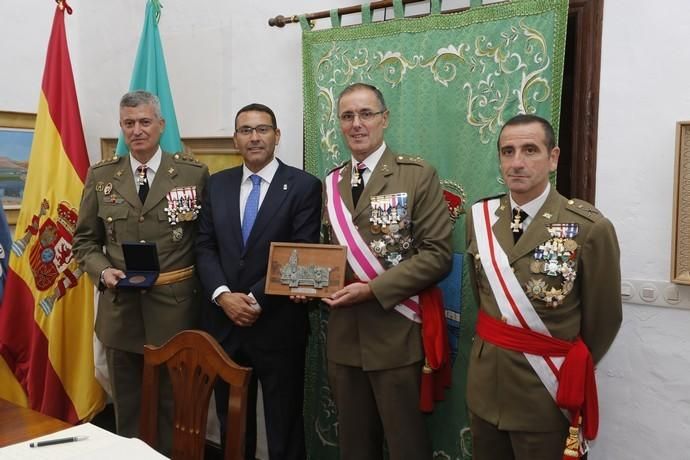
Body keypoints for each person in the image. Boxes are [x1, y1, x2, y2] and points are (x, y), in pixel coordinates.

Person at [465, 114, 622, 460]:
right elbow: (485, 300)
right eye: (508, 152)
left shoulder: (589, 228)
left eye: (530, 150)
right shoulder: (479, 219)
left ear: (553, 158)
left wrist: (564, 367)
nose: (517, 162)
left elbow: (604, 320)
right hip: (486, 388)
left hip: (545, 393)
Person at [73, 90, 209, 453]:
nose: (137, 130)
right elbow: (84, 241)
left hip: (175, 309)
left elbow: (206, 242)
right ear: (121, 127)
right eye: (129, 123)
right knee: (128, 409)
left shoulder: (193, 175)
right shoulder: (102, 177)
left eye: (145, 122)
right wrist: (103, 272)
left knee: (174, 405)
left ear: (161, 125)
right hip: (121, 311)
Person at [322, 83, 453, 460]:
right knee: (355, 448)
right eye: (347, 116)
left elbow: (437, 255)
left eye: (366, 114)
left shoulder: (416, 175)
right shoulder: (331, 183)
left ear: (384, 119)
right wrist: (307, 283)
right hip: (345, 339)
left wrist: (372, 290)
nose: (356, 124)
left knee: (405, 446)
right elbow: (326, 254)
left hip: (396, 334)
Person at [195, 103, 322, 460]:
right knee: (232, 421)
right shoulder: (217, 184)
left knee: (283, 424)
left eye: (262, 129)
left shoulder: (303, 187)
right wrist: (223, 296)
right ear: (236, 139)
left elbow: (302, 251)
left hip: (278, 324)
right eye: (246, 130)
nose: (254, 137)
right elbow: (204, 246)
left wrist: (253, 299)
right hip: (224, 325)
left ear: (276, 136)